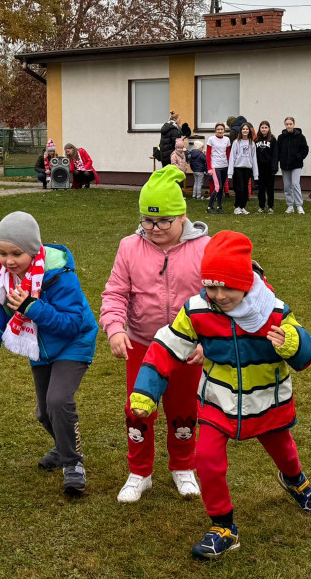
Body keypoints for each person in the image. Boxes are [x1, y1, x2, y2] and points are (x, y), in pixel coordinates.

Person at [130, 231, 311, 559]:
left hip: (266, 401)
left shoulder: (273, 311)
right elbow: (166, 345)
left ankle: (295, 480)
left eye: (227, 286)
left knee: (285, 452)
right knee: (206, 459)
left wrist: (293, 343)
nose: (218, 295)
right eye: (210, 285)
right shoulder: (196, 310)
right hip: (218, 401)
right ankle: (223, 526)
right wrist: (146, 390)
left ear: (246, 282)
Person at [0, 211, 98, 496]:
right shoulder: (3, 280)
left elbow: (72, 324)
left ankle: (73, 464)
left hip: (74, 342)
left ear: (34, 251)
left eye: (16, 254)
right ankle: (63, 449)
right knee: (44, 412)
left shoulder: (59, 277)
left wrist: (31, 307)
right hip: (39, 346)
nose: (9, 261)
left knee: (59, 400)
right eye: (2, 253)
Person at [100, 167, 209, 503]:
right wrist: (115, 328)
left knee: (184, 409)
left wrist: (208, 340)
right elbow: (115, 293)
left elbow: (217, 300)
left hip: (186, 348)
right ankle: (140, 471)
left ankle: (182, 466)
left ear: (182, 217)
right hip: (142, 345)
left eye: (164, 221)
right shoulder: (129, 247)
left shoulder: (204, 248)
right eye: (148, 220)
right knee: (138, 408)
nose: (155, 228)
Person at [277, 117, 309, 215]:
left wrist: (298, 157)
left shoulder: (300, 136)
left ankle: (299, 206)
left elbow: (305, 149)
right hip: (285, 165)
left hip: (296, 165)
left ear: (294, 124)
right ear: (285, 125)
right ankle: (290, 205)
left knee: (295, 184)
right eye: (287, 124)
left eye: (290, 124)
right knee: (287, 186)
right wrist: (280, 159)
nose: (289, 126)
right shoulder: (281, 137)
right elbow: (278, 150)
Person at [227, 122, 258, 215]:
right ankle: (237, 207)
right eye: (243, 129)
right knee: (239, 188)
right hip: (238, 168)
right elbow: (232, 157)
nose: (245, 131)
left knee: (245, 189)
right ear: (240, 131)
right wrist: (230, 173)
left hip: (247, 169)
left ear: (249, 131)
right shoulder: (236, 142)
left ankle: (243, 207)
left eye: (247, 129)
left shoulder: (252, 143)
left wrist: (256, 175)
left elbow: (254, 158)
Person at [205, 123, 231, 214]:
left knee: (221, 188)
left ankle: (219, 207)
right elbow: (208, 154)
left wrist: (229, 167)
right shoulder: (211, 139)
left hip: (225, 166)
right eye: (218, 129)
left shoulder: (227, 139)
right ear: (215, 130)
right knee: (217, 187)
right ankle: (209, 207)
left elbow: (228, 154)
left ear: (224, 130)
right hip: (215, 166)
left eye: (222, 129)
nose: (220, 131)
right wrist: (209, 168)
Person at [254, 121, 278, 214]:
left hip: (269, 167)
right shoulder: (256, 139)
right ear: (259, 129)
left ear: (269, 128)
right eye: (262, 127)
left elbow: (275, 154)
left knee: (270, 188)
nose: (264, 129)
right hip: (259, 167)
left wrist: (274, 167)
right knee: (261, 189)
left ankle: (270, 207)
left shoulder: (272, 139)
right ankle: (261, 206)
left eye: (265, 127)